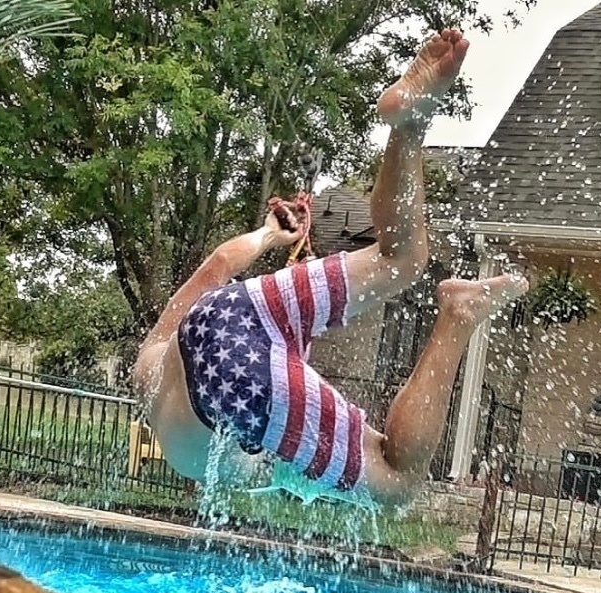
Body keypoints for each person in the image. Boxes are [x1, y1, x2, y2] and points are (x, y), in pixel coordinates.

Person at [133, 30, 528, 510]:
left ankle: (458, 315)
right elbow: (219, 264)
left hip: (236, 388)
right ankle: (410, 124)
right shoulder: (149, 362)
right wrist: (269, 235)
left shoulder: (186, 444)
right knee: (400, 259)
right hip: (228, 308)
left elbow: (288, 464)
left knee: (396, 483)